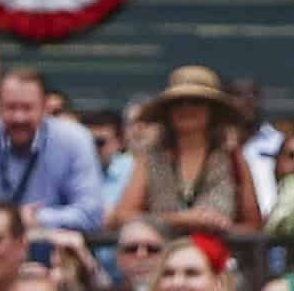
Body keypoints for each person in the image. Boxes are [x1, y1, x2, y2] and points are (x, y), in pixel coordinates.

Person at [0, 70, 102, 249]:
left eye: (27, 108)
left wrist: (38, 218)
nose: (19, 117)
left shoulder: (75, 140)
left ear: (44, 108)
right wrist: (7, 221)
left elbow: (91, 214)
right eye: (11, 107)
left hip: (54, 253)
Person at [105, 66, 253, 241]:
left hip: (220, 261)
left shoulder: (232, 157)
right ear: (168, 110)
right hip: (162, 262)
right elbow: (121, 217)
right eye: (178, 102)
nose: (186, 108)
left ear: (212, 110)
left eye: (196, 101)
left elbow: (254, 226)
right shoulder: (151, 158)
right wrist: (179, 220)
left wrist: (222, 227)